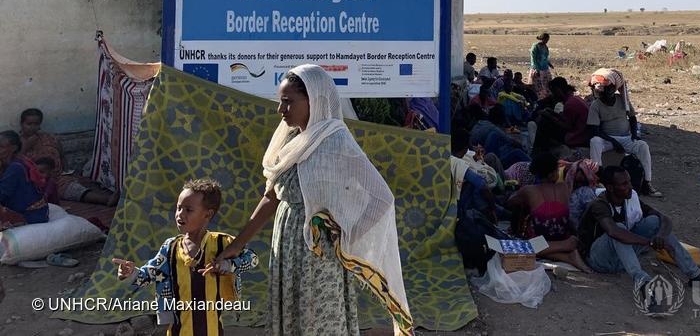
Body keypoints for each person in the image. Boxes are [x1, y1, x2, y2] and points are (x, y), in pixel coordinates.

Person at [213, 64, 412, 336]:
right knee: (292, 315)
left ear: (313, 100)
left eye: (287, 102)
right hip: (285, 245)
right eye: (280, 102)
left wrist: (346, 235)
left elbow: (381, 199)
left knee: (319, 319)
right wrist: (237, 244)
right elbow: (271, 197)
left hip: (319, 254)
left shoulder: (335, 141)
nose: (281, 110)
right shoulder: (290, 141)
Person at [113, 178, 259, 335]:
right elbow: (148, 274)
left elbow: (252, 259)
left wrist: (229, 266)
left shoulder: (222, 244)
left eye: (188, 210)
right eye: (178, 208)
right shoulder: (171, 248)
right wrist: (130, 272)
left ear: (207, 214)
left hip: (211, 330)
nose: (179, 214)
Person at [577, 166, 700, 310]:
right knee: (619, 229)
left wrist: (660, 237)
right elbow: (613, 232)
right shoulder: (599, 205)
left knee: (654, 222)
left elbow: (664, 219)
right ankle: (644, 285)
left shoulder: (630, 198)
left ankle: (696, 276)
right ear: (610, 187)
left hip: (623, 257)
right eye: (624, 184)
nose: (630, 186)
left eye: (629, 182)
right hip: (599, 260)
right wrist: (649, 242)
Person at [506, 152, 591, 272]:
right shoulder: (564, 187)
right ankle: (567, 255)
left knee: (519, 248)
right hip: (562, 235)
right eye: (557, 170)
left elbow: (510, 202)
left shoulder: (529, 190)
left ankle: (566, 247)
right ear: (552, 174)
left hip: (542, 238)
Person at [586, 69, 662, 197]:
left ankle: (647, 184)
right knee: (594, 141)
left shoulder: (622, 100)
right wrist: (613, 142)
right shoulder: (596, 105)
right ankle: (598, 178)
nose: (603, 92)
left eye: (607, 89)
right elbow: (594, 130)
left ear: (612, 89)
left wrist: (634, 135)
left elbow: (632, 118)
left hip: (626, 137)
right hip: (608, 139)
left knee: (642, 145)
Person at [18, 108, 118, 205]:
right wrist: (27, 146)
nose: (32, 127)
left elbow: (60, 153)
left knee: (74, 187)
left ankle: (108, 198)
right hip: (36, 180)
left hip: (58, 175)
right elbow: (15, 163)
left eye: (36, 124)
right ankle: (106, 199)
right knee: (68, 189)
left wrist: (65, 169)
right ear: (22, 124)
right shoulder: (17, 143)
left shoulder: (48, 137)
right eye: (29, 124)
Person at [0, 130, 49, 229]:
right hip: (36, 211)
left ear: (13, 148)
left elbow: (2, 194)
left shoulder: (15, 167)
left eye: (1, 147)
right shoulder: (17, 161)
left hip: (31, 215)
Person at [564, 158, 600, 228]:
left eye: (581, 182)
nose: (578, 185)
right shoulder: (584, 191)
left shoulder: (593, 189)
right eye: (576, 182)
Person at [528, 32, 554, 99]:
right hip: (537, 68)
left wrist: (549, 63)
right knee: (538, 84)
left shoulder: (545, 47)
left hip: (545, 68)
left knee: (547, 84)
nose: (547, 41)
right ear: (542, 39)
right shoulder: (536, 46)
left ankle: (547, 97)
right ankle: (539, 98)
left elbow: (545, 57)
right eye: (546, 39)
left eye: (548, 40)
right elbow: (533, 58)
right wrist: (536, 69)